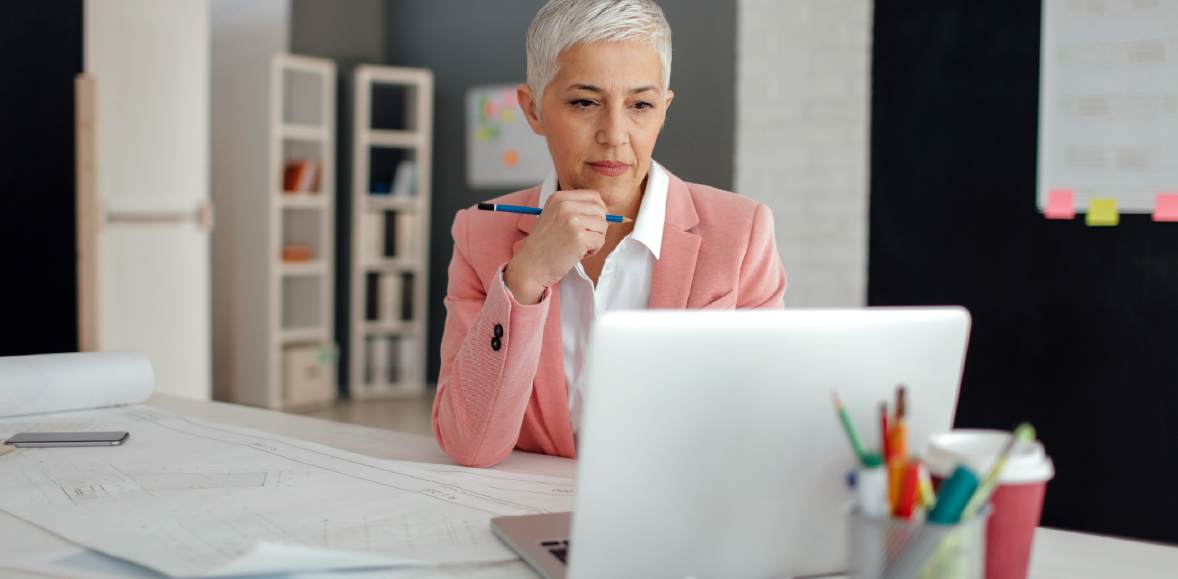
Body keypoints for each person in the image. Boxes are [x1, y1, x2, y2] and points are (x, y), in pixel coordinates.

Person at [433, 0, 787, 468]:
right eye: (584, 102)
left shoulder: (742, 233)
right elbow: (470, 445)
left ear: (663, 110)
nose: (615, 134)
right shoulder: (480, 233)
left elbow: (764, 428)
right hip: (530, 513)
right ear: (533, 110)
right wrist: (525, 276)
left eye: (640, 105)